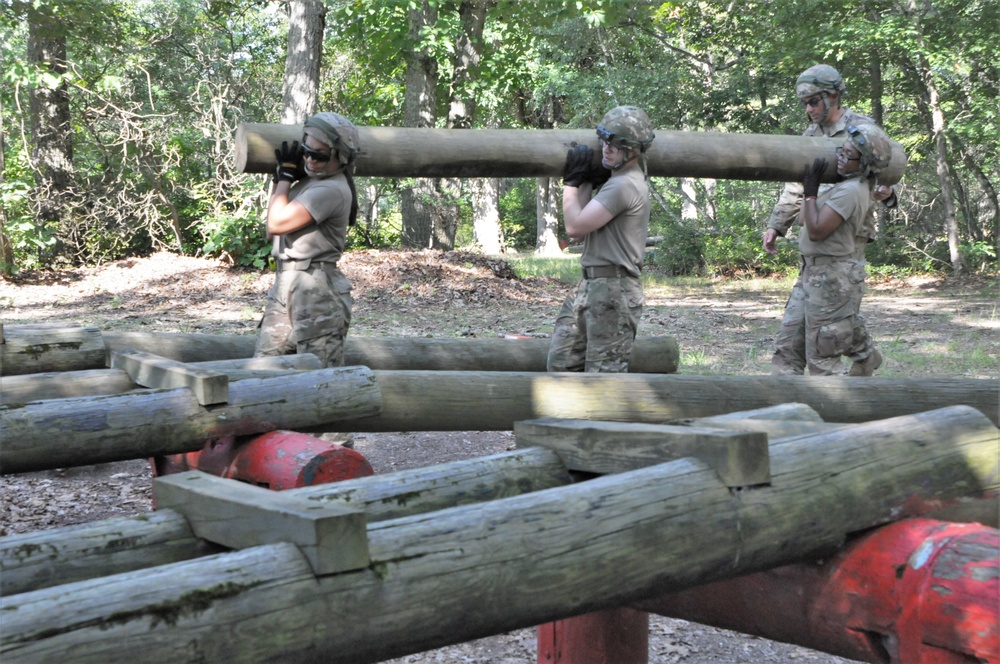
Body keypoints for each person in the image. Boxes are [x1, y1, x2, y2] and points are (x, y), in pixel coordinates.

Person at [763, 64, 896, 376]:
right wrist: (776, 225)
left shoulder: (861, 129)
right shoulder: (811, 135)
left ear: (833, 96)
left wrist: (886, 191)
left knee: (832, 321)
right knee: (801, 331)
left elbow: (888, 173)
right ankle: (788, 398)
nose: (808, 109)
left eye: (814, 101)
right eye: (804, 103)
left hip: (846, 244)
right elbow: (796, 186)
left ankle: (861, 358)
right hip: (813, 242)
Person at [547, 105, 654, 373]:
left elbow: (574, 227)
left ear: (633, 150)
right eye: (604, 141)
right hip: (592, 284)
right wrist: (585, 181)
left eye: (616, 145)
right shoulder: (617, 180)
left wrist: (571, 183)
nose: (606, 149)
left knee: (604, 380)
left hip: (613, 289)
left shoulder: (624, 185)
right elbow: (583, 217)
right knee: (563, 365)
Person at [254, 111, 360, 368]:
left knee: (319, 374)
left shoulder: (330, 189)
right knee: (265, 370)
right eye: (306, 151)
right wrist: (284, 178)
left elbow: (276, 223)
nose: (310, 160)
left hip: (315, 288)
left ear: (340, 157)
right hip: (286, 283)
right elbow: (272, 231)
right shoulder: (310, 184)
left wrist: (286, 178)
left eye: (320, 155)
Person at [787, 122, 893, 375]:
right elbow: (804, 218)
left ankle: (832, 407)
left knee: (823, 353)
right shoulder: (843, 184)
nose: (842, 159)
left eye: (849, 156)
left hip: (832, 276)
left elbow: (816, 230)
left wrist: (811, 193)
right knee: (795, 339)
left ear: (865, 162)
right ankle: (867, 356)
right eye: (841, 152)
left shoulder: (851, 191)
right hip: (814, 271)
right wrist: (809, 191)